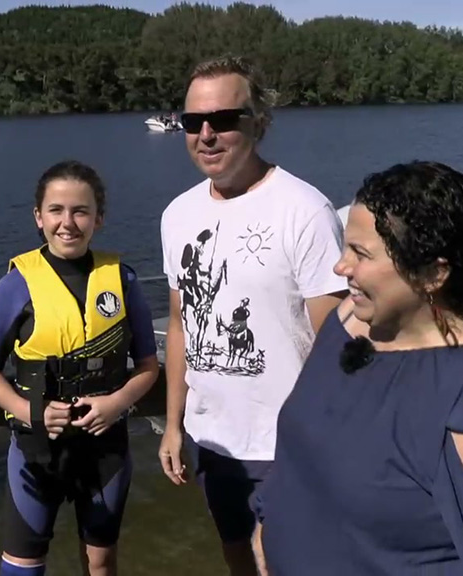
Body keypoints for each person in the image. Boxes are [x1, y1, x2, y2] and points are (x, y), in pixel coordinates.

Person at [255, 161, 463, 574]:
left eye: (360, 254)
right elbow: (299, 445)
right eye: (346, 247)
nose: (340, 268)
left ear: (433, 273)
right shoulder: (348, 321)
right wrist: (267, 517)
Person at [157, 55, 347, 574]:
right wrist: (173, 425)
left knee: (283, 563)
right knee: (237, 554)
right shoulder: (177, 215)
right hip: (213, 439)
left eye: (224, 120)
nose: (206, 135)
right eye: (193, 122)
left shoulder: (304, 211)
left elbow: (335, 343)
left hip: (287, 445)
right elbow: (179, 323)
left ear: (259, 123)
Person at [0, 160, 159, 576]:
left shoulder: (123, 281)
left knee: (101, 562)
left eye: (80, 211)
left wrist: (116, 404)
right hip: (36, 450)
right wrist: (30, 412)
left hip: (104, 450)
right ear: (38, 217)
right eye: (56, 210)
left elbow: (148, 366)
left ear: (99, 217)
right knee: (23, 564)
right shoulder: (15, 286)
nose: (68, 223)